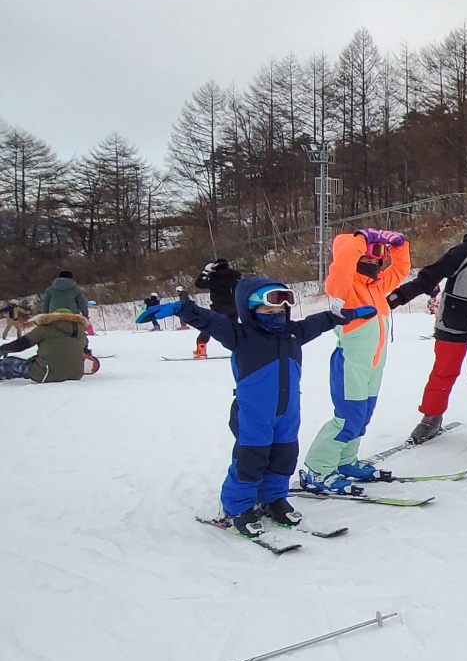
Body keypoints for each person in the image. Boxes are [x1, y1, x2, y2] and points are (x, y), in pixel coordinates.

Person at [137, 279, 374, 538]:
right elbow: (209, 319)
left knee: (284, 457)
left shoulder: (293, 332)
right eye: (268, 312)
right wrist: (181, 309)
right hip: (253, 415)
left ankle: (273, 499)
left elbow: (320, 322)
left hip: (287, 414)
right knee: (251, 460)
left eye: (280, 312)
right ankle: (237, 508)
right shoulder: (240, 335)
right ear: (250, 311)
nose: (277, 317)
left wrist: (346, 315)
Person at [385, 205, 467, 461]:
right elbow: (430, 276)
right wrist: (398, 297)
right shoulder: (464, 252)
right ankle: (431, 417)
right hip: (453, 321)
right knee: (444, 371)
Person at [300, 229, 411, 494]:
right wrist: (361, 238)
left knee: (362, 416)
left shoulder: (378, 286)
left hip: (373, 365)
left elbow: (402, 269)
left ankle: (345, 461)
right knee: (348, 417)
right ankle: (317, 469)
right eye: (367, 259)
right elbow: (343, 263)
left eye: (377, 260)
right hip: (351, 364)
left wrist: (400, 244)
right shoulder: (343, 288)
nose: (374, 264)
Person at [0, 308, 88, 383]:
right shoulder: (81, 332)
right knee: (34, 359)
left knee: (8, 362)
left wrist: (2, 349)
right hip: (76, 374)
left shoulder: (45, 329)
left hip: (45, 374)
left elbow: (21, 344)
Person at [192, 258, 242, 357]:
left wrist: (205, 272)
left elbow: (198, 284)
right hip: (234, 306)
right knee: (235, 329)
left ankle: (201, 350)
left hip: (218, 307)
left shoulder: (214, 277)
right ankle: (240, 349)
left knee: (209, 327)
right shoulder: (235, 276)